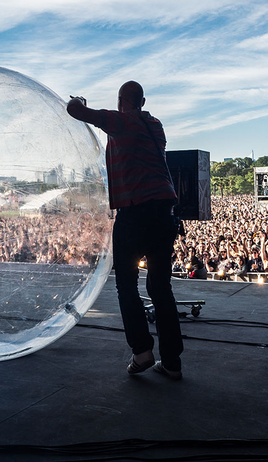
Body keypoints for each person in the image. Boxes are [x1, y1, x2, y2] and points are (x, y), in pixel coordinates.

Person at [67, 81, 183, 380]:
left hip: (135, 213)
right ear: (142, 101)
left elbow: (75, 111)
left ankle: (142, 351)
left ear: (121, 101)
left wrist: (79, 99)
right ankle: (172, 362)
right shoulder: (155, 125)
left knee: (127, 285)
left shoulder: (122, 120)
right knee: (160, 288)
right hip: (163, 212)